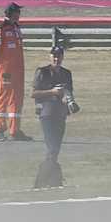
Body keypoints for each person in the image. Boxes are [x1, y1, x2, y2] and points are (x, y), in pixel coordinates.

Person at [31, 41, 78, 188]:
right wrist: (52, 92)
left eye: (59, 56)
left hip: (61, 114)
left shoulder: (66, 73)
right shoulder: (42, 71)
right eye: (54, 56)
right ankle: (43, 180)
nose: (56, 59)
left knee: (55, 149)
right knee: (52, 148)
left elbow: (69, 92)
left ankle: (52, 179)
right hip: (46, 114)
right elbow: (34, 93)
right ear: (50, 57)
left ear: (62, 57)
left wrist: (67, 99)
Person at [0, 2, 29, 140]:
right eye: (18, 12)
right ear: (11, 13)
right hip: (6, 69)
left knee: (17, 98)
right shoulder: (1, 28)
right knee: (4, 96)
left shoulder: (16, 28)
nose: (19, 15)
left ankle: (15, 130)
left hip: (18, 68)